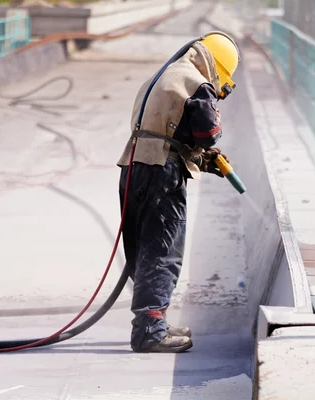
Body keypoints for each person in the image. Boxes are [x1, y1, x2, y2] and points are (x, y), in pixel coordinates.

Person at [115, 32, 240, 353]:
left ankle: (151, 322)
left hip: (133, 167)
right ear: (220, 68)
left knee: (143, 248)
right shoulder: (199, 83)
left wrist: (196, 157)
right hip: (161, 172)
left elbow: (166, 129)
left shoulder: (166, 75)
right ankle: (150, 332)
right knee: (163, 248)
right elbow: (209, 132)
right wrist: (206, 145)